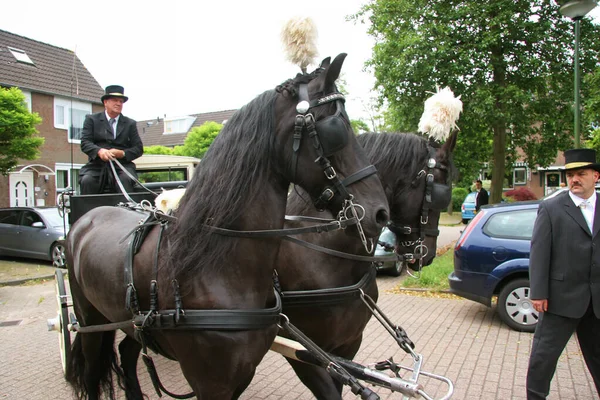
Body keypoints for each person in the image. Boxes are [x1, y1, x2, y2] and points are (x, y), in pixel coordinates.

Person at [526, 148, 600, 399]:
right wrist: (538, 292)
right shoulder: (551, 208)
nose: (574, 179)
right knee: (543, 359)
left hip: (596, 302)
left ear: (596, 176)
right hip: (559, 300)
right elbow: (539, 252)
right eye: (570, 174)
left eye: (581, 173)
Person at [79, 85, 143, 194]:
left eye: (121, 101)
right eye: (115, 100)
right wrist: (99, 151)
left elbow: (138, 148)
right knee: (87, 181)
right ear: (105, 102)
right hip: (96, 166)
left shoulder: (130, 123)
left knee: (126, 180)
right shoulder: (91, 120)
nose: (118, 104)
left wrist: (122, 153)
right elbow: (85, 143)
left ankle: (126, 209)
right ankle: (90, 210)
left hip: (122, 166)